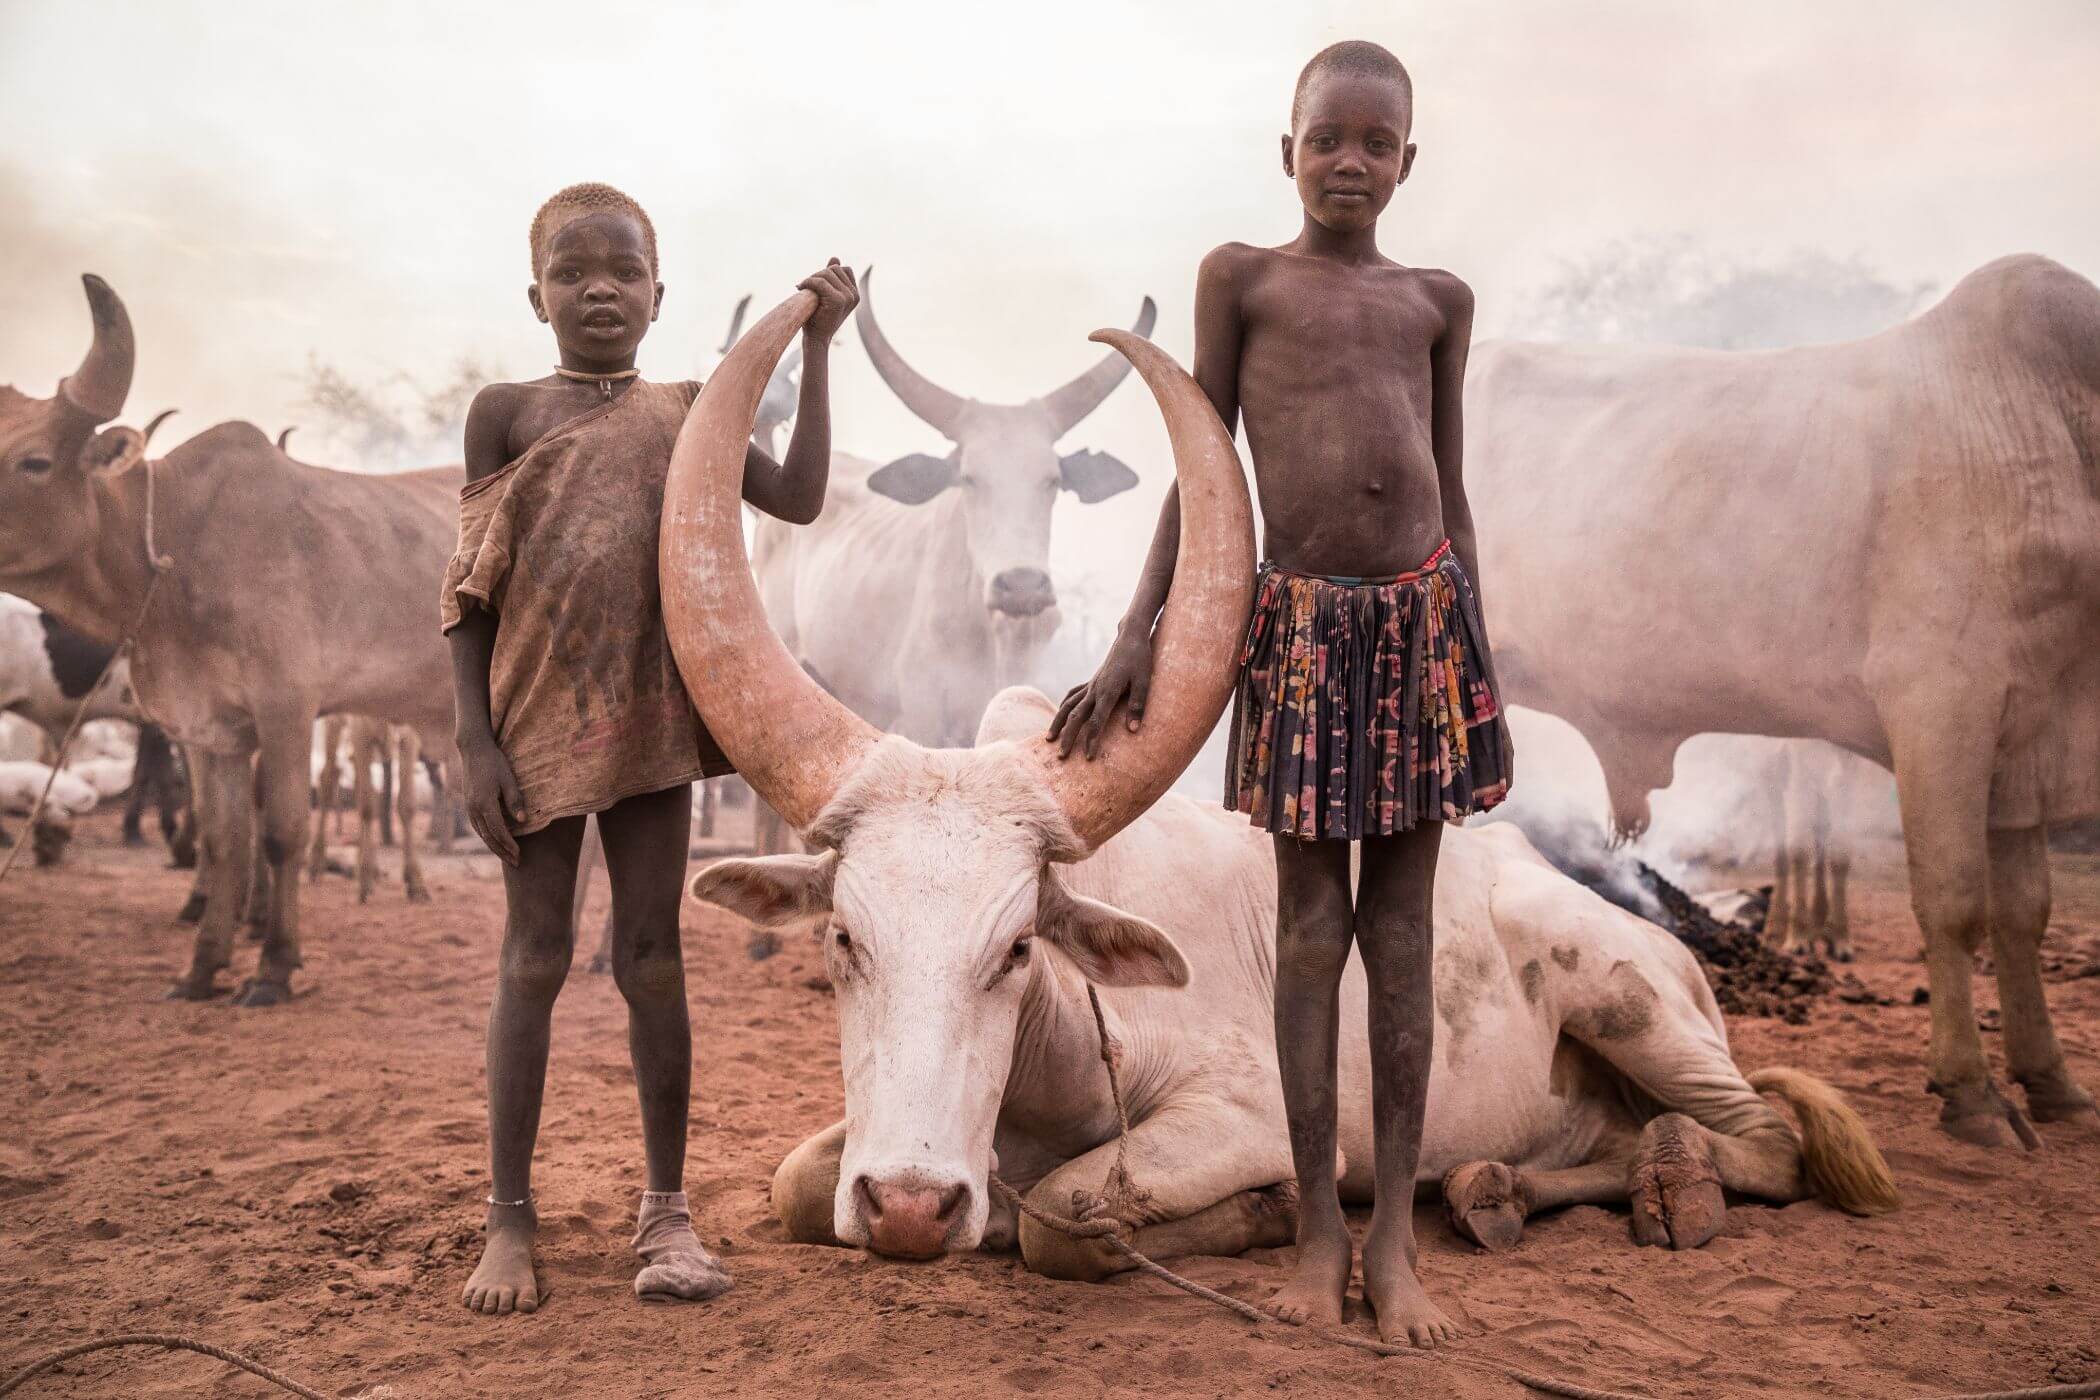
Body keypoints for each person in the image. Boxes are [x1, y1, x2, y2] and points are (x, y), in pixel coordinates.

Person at [1048, 43, 1512, 1347]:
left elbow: (1451, 487)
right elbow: (1203, 470)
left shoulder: (1437, 300)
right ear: (1288, 149)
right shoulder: (1239, 280)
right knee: (1312, 931)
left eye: (1378, 142)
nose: (1351, 162)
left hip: (1421, 629)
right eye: (1329, 139)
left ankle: (1396, 1246)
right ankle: (1316, 1226)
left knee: (1404, 939)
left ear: (1409, 160)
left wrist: (1478, 661)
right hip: (1298, 632)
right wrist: (1139, 630)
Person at [445, 181, 858, 1315]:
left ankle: (666, 1211)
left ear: (658, 292)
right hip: (530, 722)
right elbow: (469, 592)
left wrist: (820, 348)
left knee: (651, 956)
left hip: (650, 723)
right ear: (535, 296)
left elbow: (804, 496)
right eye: (573, 272)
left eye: (623, 270)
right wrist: (474, 738)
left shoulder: (692, 409)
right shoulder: (503, 411)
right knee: (532, 957)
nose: (599, 289)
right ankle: (510, 1218)